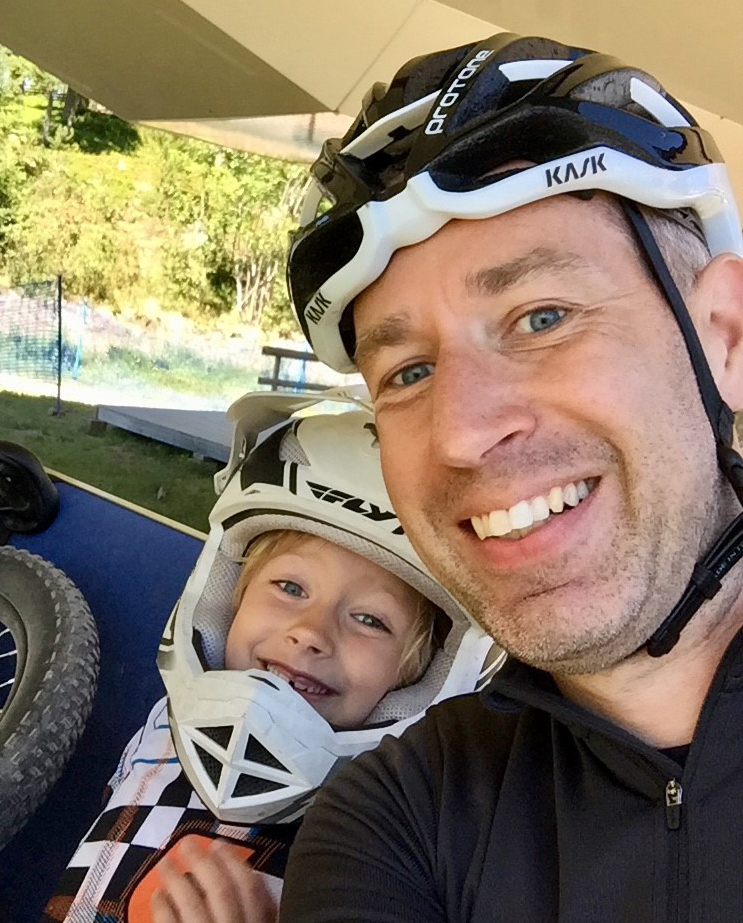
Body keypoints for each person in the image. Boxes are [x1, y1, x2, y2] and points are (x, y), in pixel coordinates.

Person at [279, 33, 743, 922]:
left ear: (724, 338)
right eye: (407, 373)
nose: (460, 432)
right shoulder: (394, 822)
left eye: (541, 316)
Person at [41, 391, 497, 923]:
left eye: (370, 620)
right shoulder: (165, 726)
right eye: (289, 586)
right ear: (225, 596)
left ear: (419, 675)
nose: (309, 632)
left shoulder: (401, 839)